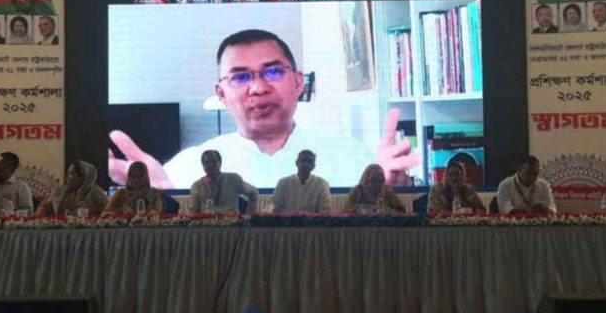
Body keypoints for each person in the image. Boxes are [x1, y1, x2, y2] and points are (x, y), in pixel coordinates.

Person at [109, 29, 419, 189]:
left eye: (272, 72)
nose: (258, 87)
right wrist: (161, 205)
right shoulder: (184, 169)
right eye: (240, 77)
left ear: (298, 82)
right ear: (221, 94)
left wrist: (396, 192)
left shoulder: (354, 156)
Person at [189, 150, 259, 214]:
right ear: (203, 165)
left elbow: (253, 192)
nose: (210, 164)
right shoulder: (197, 186)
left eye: (213, 161)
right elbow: (193, 211)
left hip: (231, 222)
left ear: (220, 163)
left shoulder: (233, 179)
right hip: (206, 222)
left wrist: (249, 215)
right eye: (207, 162)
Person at [38, 161, 107, 215]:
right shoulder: (61, 191)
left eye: (72, 173)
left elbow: (107, 214)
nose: (67, 177)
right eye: (68, 173)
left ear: (82, 177)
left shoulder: (97, 194)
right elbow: (45, 207)